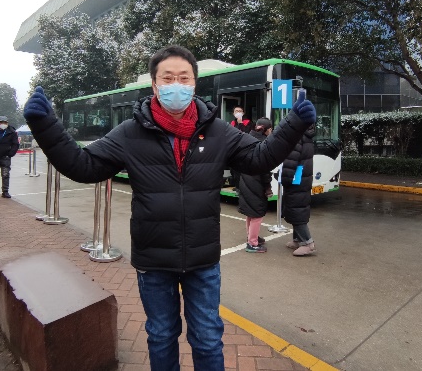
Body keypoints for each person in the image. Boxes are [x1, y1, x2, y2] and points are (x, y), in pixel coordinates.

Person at [23, 45, 316, 371]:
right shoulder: (130, 133)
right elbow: (84, 166)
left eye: (184, 78)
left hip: (203, 260)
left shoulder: (218, 131)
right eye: (168, 78)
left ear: (194, 84)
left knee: (207, 338)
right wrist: (45, 126)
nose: (176, 85)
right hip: (154, 260)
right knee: (161, 336)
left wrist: (293, 124)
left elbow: (260, 157)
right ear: (154, 84)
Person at [237, 117, 273, 253]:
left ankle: (251, 236)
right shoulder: (264, 144)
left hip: (245, 179)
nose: (271, 132)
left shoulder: (247, 138)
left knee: (250, 213)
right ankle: (252, 244)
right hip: (256, 183)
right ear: (265, 130)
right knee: (257, 214)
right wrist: (268, 187)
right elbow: (265, 170)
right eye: (270, 129)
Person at [281, 123, 316, 256]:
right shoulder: (307, 136)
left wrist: (285, 179)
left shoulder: (296, 138)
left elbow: (291, 162)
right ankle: (297, 239)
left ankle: (307, 243)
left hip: (296, 181)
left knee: (296, 211)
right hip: (302, 179)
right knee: (297, 209)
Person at [229, 106, 251, 193]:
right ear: (233, 113)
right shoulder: (232, 123)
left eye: (240, 111)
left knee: (240, 171)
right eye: (236, 111)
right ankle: (236, 185)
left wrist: (240, 123)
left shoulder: (248, 123)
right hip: (233, 149)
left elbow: (245, 134)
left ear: (243, 113)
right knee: (233, 170)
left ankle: (241, 187)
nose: (238, 112)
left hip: (243, 149)